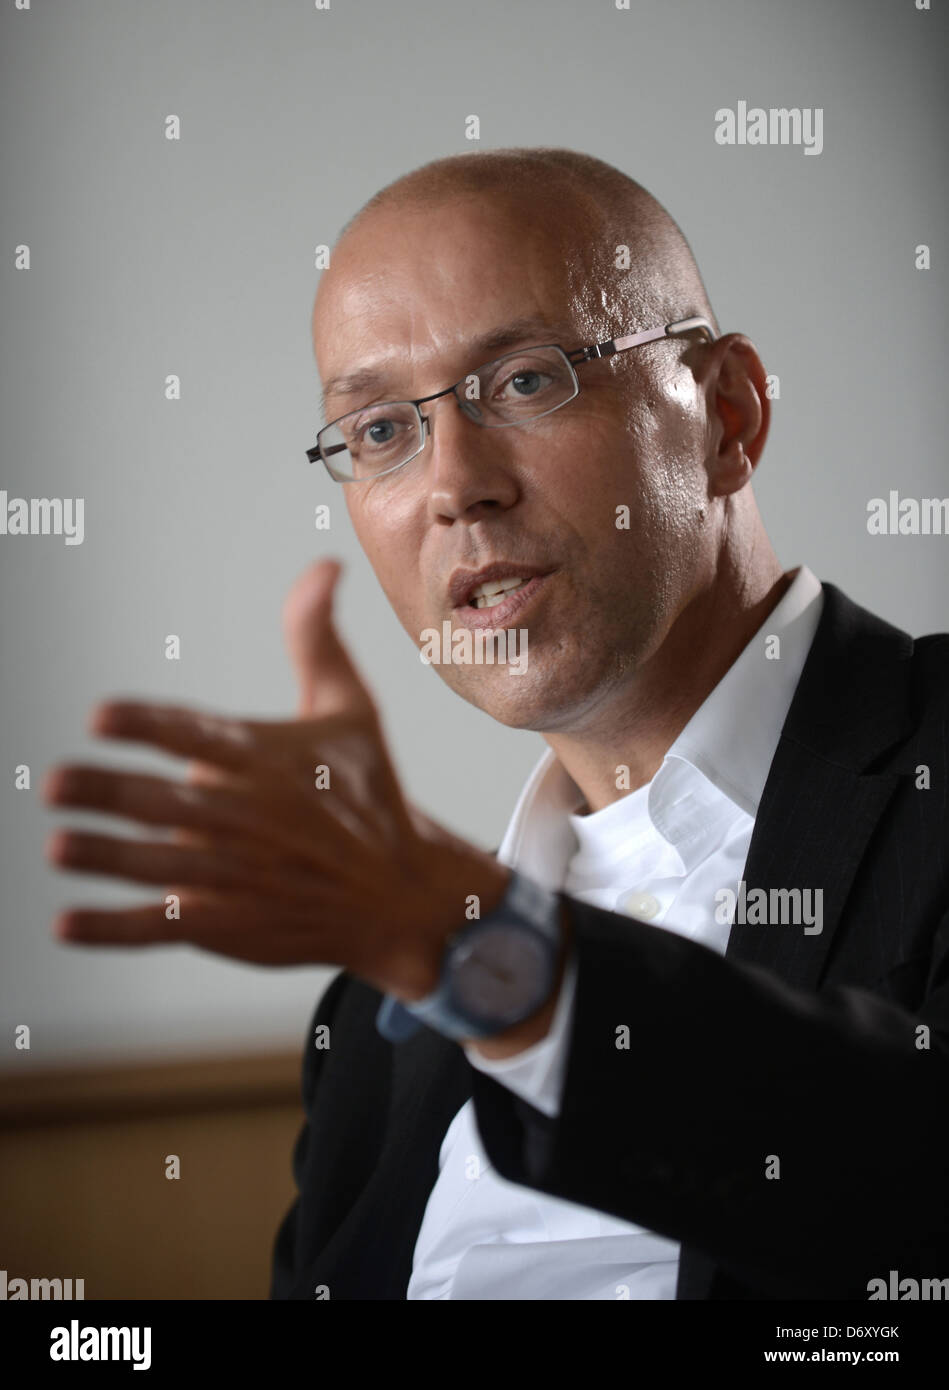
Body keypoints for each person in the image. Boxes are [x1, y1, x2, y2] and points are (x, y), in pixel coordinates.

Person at [43, 149, 949, 1302]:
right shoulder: (379, 1009)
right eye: (378, 431)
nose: (452, 484)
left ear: (726, 415)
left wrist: (499, 971)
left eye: (523, 382)